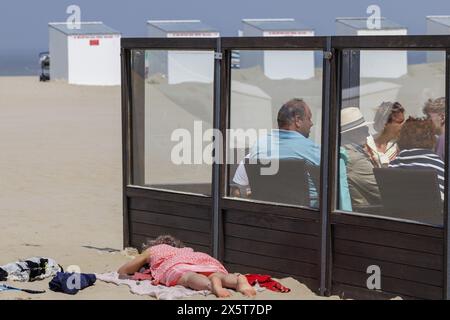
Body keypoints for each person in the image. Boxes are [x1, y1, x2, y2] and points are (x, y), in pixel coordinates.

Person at [232, 98, 352, 211]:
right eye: (309, 118)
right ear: (298, 120)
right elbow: (336, 175)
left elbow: (240, 185)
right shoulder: (311, 149)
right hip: (308, 221)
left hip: (268, 219)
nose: (311, 124)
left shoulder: (258, 146)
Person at [117, 235, 256, 298]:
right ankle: (239, 280)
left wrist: (144, 260)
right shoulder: (185, 250)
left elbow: (123, 270)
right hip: (204, 259)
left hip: (176, 265)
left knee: (189, 276)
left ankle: (210, 286)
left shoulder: (154, 250)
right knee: (216, 274)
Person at [389, 117, 445, 200]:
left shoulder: (393, 166)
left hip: (398, 211)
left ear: (401, 140)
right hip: (432, 212)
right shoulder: (440, 167)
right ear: (432, 140)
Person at [340, 107, 381, 208]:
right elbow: (383, 191)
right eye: (365, 130)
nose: (368, 134)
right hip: (369, 214)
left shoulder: (343, 152)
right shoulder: (356, 159)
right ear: (353, 133)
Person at [366, 101, 405, 167]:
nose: (403, 125)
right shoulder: (366, 143)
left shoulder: (400, 146)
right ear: (385, 123)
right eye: (399, 122)